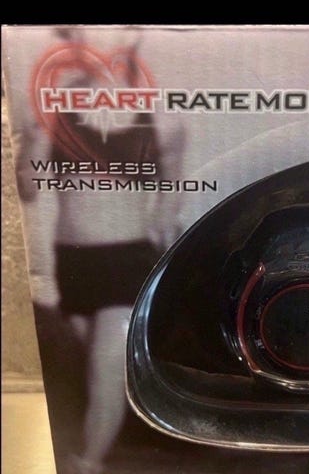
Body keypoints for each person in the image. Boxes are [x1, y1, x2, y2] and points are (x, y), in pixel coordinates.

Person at [16, 27, 185, 474]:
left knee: (106, 365)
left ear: (132, 38)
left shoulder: (161, 116)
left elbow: (171, 196)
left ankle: (87, 464)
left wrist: (165, 242)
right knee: (91, 371)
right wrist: (32, 139)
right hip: (73, 261)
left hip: (129, 258)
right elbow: (28, 190)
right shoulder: (54, 107)